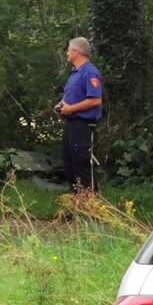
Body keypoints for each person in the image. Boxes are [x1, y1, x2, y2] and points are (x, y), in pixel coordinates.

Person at [55, 37, 103, 191]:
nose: (67, 52)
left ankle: (90, 207)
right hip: (70, 124)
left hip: (82, 126)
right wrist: (61, 105)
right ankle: (77, 205)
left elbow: (95, 100)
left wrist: (71, 109)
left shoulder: (90, 73)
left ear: (76, 51)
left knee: (81, 165)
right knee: (69, 165)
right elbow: (71, 96)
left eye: (68, 49)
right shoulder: (75, 73)